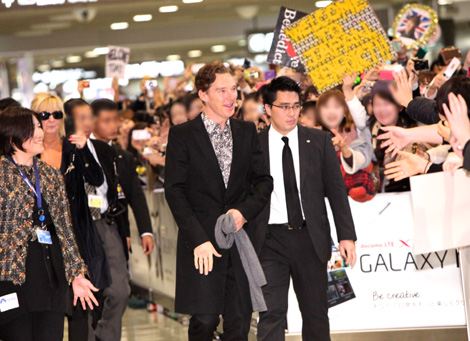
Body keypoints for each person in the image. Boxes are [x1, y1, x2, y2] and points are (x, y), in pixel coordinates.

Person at [164, 62, 273, 341]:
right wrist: (198, 239)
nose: (230, 97)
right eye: (221, 90)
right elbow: (174, 191)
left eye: (233, 90)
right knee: (204, 319)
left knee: (238, 322)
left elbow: (263, 181)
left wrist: (243, 213)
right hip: (201, 242)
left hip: (239, 240)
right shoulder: (183, 135)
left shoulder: (247, 131)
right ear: (203, 94)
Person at [255, 76, 357, 340]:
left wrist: (346, 235)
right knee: (271, 313)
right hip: (268, 241)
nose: (291, 113)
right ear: (268, 109)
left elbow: (336, 191)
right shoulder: (254, 145)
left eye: (296, 106)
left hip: (310, 238)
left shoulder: (319, 141)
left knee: (316, 314)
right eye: (284, 106)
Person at [0, 106, 98, 341]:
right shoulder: (2, 174)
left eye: (38, 126)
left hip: (50, 276)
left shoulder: (50, 175)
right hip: (11, 279)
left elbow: (65, 228)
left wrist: (77, 273)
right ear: (13, 135)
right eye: (33, 128)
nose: (41, 132)